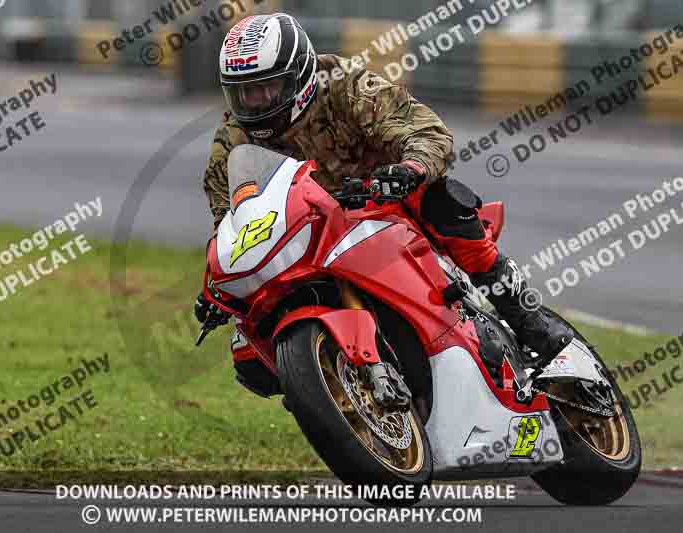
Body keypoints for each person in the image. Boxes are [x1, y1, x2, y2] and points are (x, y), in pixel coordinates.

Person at [195, 13, 572, 367]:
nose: (256, 103)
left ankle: (525, 316)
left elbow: (426, 130)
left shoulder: (344, 84)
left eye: (267, 89)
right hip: (310, 235)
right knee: (249, 354)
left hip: (383, 203)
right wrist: (221, 285)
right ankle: (332, 394)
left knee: (444, 202)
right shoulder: (233, 139)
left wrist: (411, 169)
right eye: (244, 93)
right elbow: (228, 221)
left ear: (299, 76)